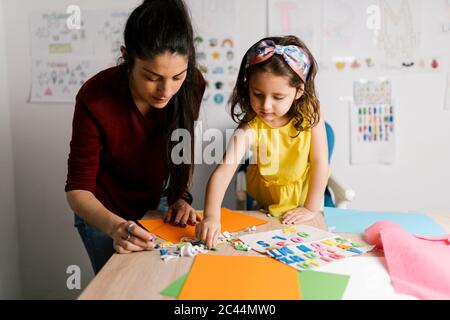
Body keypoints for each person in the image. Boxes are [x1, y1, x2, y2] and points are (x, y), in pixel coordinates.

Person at [65, 0, 205, 274]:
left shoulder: (193, 84)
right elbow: (77, 191)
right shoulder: (95, 96)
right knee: (117, 288)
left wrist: (180, 196)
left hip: (156, 204)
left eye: (177, 76)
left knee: (161, 282)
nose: (166, 90)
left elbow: (181, 145)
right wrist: (117, 226)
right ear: (127, 57)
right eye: (152, 77)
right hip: (102, 211)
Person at [196, 36, 329, 248]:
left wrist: (310, 208)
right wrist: (211, 216)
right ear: (248, 86)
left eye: (278, 97)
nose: (266, 105)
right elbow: (222, 173)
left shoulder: (311, 114)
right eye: (258, 94)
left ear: (298, 92)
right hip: (265, 204)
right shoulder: (251, 127)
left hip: (306, 199)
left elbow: (320, 162)